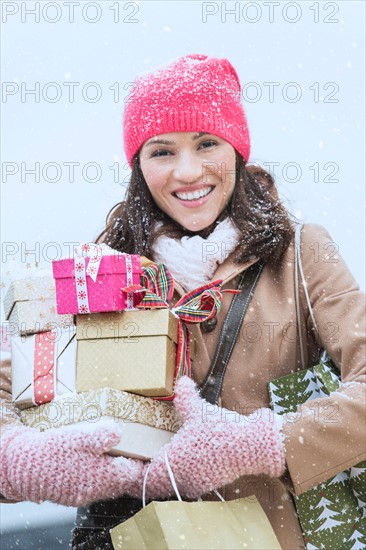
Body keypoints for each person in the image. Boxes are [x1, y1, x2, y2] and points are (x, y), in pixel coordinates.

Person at [1, 54, 365, 550]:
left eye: (207, 144)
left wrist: (263, 443)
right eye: (162, 151)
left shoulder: (302, 255)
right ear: (139, 165)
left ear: (235, 150)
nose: (188, 172)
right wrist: (23, 459)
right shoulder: (98, 271)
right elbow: (10, 388)